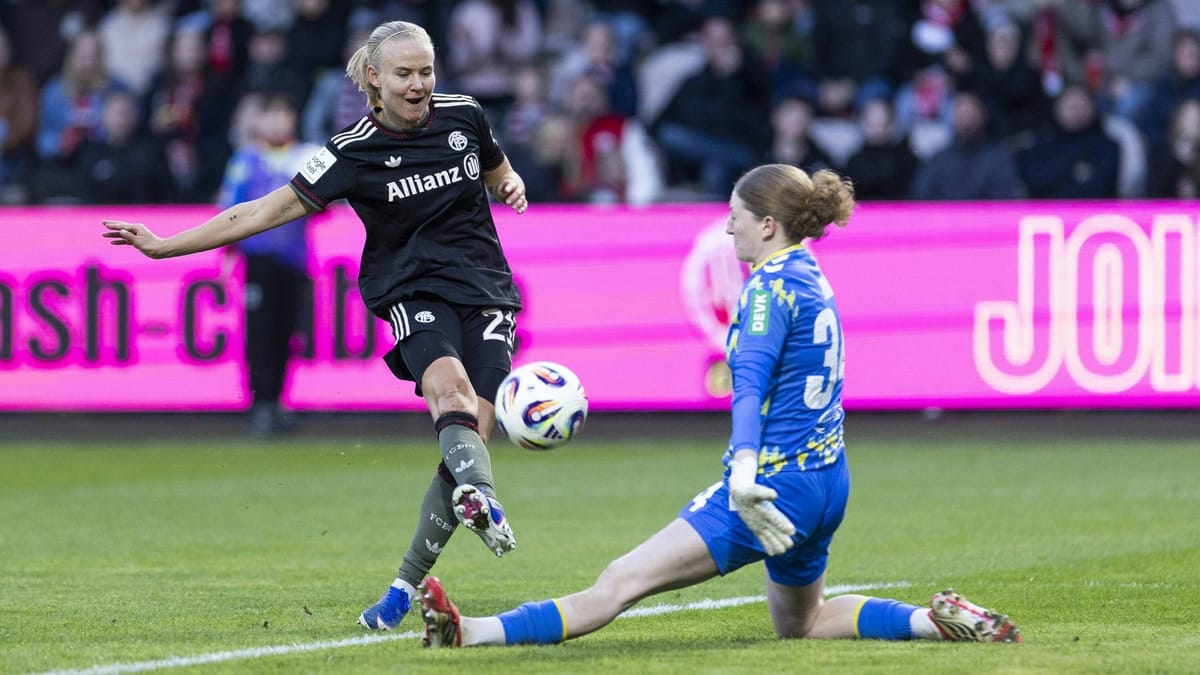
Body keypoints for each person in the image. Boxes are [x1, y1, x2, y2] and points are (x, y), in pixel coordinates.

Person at [415, 163, 1023, 649]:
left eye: (734, 218)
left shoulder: (766, 290)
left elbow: (752, 383)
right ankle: (932, 621)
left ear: (766, 224)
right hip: (827, 482)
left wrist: (743, 472)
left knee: (619, 583)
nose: (727, 230)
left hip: (770, 487)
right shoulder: (811, 274)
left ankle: (470, 634)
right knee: (802, 624)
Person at [102, 19, 530, 632]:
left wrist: (509, 182)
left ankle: (403, 588)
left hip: (488, 291)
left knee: (470, 441)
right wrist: (168, 246)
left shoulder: (464, 115)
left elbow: (497, 170)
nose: (418, 86)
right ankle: (483, 501)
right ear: (374, 81)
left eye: (426, 72)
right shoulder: (350, 152)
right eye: (405, 74)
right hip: (411, 290)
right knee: (453, 397)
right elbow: (261, 210)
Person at [216, 91, 318, 437]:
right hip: (258, 259)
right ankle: (260, 403)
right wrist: (228, 253)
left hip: (294, 260)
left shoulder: (308, 157)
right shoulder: (246, 160)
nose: (277, 122)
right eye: (271, 115)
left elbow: (329, 202)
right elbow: (229, 209)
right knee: (259, 331)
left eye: (283, 114)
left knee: (289, 332)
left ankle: (278, 402)